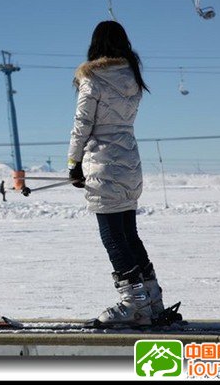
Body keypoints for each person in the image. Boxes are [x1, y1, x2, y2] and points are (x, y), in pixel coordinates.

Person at [67, 20, 164, 326]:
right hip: (129, 161)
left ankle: (134, 304)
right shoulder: (132, 76)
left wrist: (74, 162)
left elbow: (83, 123)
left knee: (113, 237)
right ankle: (151, 300)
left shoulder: (92, 77)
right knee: (129, 234)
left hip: (104, 163)